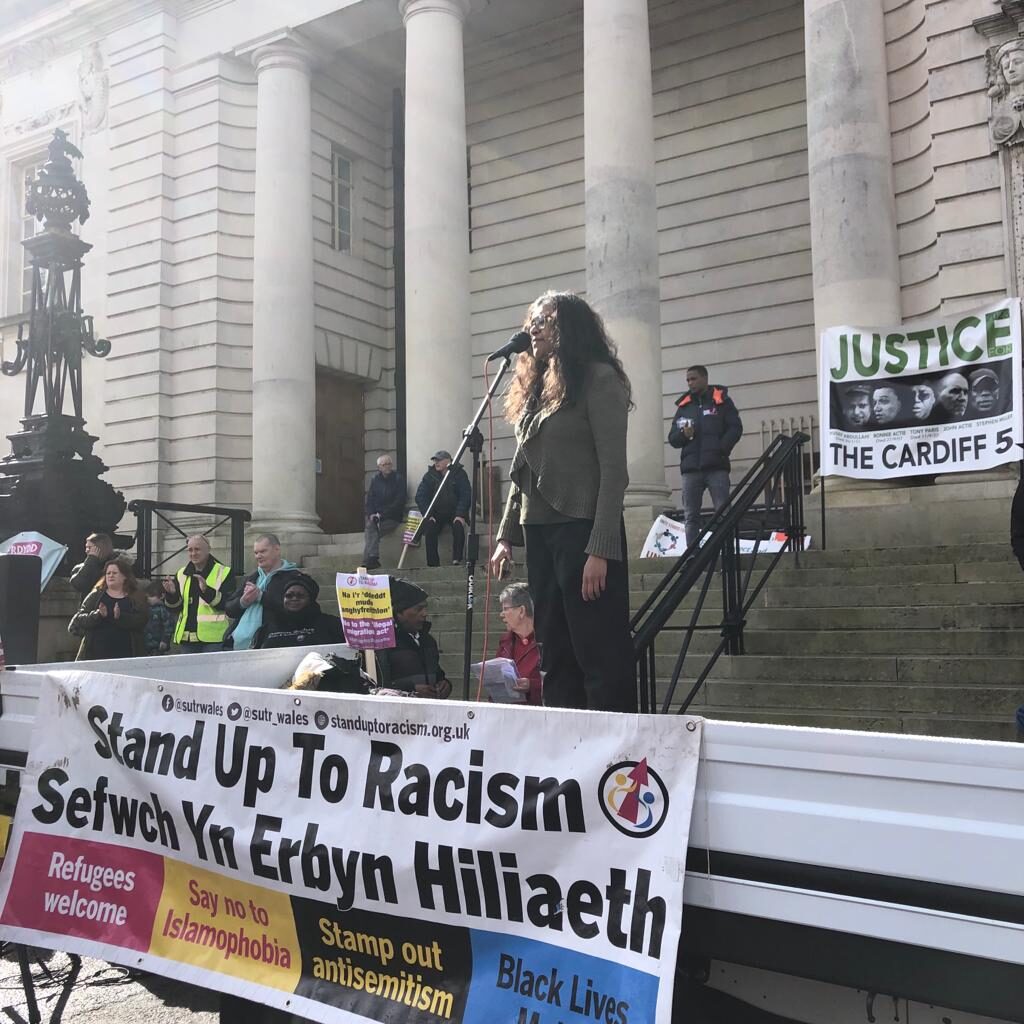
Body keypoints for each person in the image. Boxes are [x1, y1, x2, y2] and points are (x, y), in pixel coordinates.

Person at [490, 290, 636, 713]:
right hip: (540, 532)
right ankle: (562, 736)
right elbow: (524, 468)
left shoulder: (599, 379)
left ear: (570, 327)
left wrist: (601, 548)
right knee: (554, 650)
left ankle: (613, 742)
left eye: (545, 321)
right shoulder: (537, 390)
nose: (534, 329)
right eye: (532, 322)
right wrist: (505, 537)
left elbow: (614, 471)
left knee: (598, 650)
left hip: (583, 531)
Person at [669, 364, 744, 548]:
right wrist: (683, 434)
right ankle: (693, 556)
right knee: (691, 516)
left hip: (716, 467)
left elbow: (735, 428)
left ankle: (726, 552)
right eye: (688, 380)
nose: (690, 383)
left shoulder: (722, 401)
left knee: (723, 513)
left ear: (705, 378)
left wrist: (721, 449)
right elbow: (673, 439)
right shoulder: (684, 406)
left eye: (693, 379)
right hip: (691, 470)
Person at [374, 578, 452, 698]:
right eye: (418, 609)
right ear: (399, 612)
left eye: (425, 608)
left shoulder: (428, 641)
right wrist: (410, 689)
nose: (424, 613)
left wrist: (445, 684)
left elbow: (437, 673)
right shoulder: (384, 642)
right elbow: (377, 684)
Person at [222, 534, 299, 651]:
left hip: (274, 644)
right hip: (239, 645)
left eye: (263, 551)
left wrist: (261, 597)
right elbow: (229, 609)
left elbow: (294, 610)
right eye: (256, 553)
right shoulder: (253, 578)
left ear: (277, 550)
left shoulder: (294, 577)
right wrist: (242, 602)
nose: (258, 556)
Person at [68, 556, 149, 661]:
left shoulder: (135, 597)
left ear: (124, 576)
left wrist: (120, 617)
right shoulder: (95, 595)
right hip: (95, 654)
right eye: (108, 573)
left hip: (127, 654)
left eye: (115, 573)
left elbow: (142, 620)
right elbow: (78, 620)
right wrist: (98, 615)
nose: (111, 576)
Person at [161, 535, 232, 653]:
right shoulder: (181, 574)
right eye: (190, 550)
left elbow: (228, 605)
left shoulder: (224, 572)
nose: (193, 553)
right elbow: (175, 609)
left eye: (197, 549)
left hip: (214, 640)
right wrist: (171, 595)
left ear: (208, 550)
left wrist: (206, 591)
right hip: (187, 639)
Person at [253, 574, 346, 649]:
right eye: (289, 596)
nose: (294, 599)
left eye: (300, 595)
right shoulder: (265, 630)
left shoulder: (332, 625)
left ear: (310, 599)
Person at [415, 450, 471, 567]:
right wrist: (428, 515)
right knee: (429, 528)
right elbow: (420, 496)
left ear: (448, 461)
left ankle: (457, 559)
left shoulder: (459, 474)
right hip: (436, 513)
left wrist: (460, 514)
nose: (436, 463)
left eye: (439, 460)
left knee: (458, 526)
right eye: (435, 460)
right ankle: (433, 564)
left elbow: (465, 495)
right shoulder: (429, 476)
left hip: (454, 512)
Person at [495, 582, 542, 705]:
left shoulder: (547, 642)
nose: (501, 614)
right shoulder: (505, 643)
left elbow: (562, 682)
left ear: (521, 611)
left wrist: (531, 685)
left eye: (506, 609)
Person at [362, 454, 406, 570]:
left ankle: (369, 561)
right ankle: (370, 561)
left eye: (389, 464)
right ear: (379, 467)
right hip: (377, 517)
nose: (387, 466)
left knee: (371, 530)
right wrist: (371, 514)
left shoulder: (398, 479)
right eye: (384, 464)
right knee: (371, 528)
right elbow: (370, 500)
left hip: (392, 518)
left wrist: (382, 514)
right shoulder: (375, 480)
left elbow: (399, 502)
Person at [143, 580, 174, 656]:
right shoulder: (146, 608)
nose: (148, 598)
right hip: (147, 644)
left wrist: (165, 640)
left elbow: (169, 626)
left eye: (151, 596)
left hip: (158, 645)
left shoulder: (163, 610)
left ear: (162, 596)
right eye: (147, 596)